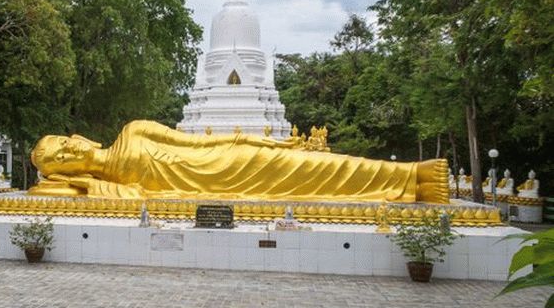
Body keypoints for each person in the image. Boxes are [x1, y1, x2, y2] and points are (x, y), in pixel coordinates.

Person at [29, 120, 449, 203]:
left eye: (64, 142)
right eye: (61, 158)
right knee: (313, 186)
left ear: (78, 136)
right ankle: (409, 181)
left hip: (227, 160)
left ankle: (411, 175)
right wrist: (78, 183)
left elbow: (192, 141)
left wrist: (252, 139)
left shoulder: (133, 130)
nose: (71, 149)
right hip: (203, 189)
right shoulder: (106, 185)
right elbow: (46, 193)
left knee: (311, 167)